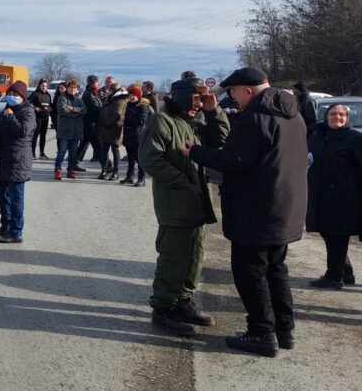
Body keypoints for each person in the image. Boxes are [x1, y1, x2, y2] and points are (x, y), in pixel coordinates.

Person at [184, 67, 307, 357]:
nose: (233, 98)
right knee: (276, 270)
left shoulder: (256, 118)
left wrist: (195, 151)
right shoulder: (292, 114)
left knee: (251, 273)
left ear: (248, 91)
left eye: (234, 92)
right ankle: (284, 330)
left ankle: (261, 333)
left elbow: (234, 160)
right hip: (284, 207)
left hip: (257, 211)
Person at [139, 77, 229, 336]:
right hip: (175, 202)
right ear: (181, 97)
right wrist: (182, 181)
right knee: (173, 256)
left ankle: (183, 301)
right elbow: (149, 159)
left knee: (194, 254)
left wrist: (214, 112)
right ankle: (163, 308)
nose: (200, 104)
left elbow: (221, 138)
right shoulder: (162, 121)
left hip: (196, 202)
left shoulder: (193, 123)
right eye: (197, 98)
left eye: (203, 99)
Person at [305, 104, 362, 289]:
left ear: (347, 118)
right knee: (328, 233)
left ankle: (334, 277)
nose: (337, 117)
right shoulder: (317, 135)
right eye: (333, 113)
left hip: (345, 198)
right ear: (326, 116)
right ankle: (345, 271)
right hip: (320, 194)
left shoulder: (354, 139)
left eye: (341, 114)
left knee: (337, 235)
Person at [0, 81, 35, 243]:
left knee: (16, 198)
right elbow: (2, 131)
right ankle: (5, 225)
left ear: (22, 97)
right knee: (2, 195)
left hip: (18, 160)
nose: (11, 97)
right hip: (3, 158)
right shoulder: (6, 110)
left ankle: (16, 232)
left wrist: (11, 117)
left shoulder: (27, 112)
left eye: (15, 95)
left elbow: (22, 131)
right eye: (9, 94)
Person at [122, 84, 154, 187]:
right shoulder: (129, 105)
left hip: (137, 136)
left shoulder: (142, 107)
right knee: (130, 158)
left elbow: (141, 121)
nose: (131, 97)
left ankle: (142, 179)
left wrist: (126, 120)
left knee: (138, 158)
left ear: (138, 96)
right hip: (128, 135)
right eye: (130, 95)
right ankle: (129, 177)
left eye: (133, 95)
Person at [54, 80, 86, 180]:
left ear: (77, 89)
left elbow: (84, 110)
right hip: (65, 130)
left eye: (74, 88)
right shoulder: (62, 98)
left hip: (76, 131)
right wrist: (77, 112)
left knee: (73, 153)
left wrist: (72, 109)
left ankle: (70, 170)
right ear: (67, 88)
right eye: (71, 87)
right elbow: (62, 110)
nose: (73, 89)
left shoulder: (79, 99)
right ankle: (57, 170)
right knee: (62, 151)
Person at [97, 83, 128, 180]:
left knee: (115, 150)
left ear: (114, 91)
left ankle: (115, 172)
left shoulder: (120, 101)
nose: (107, 92)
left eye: (109, 90)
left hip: (115, 130)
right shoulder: (111, 100)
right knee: (104, 151)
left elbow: (118, 114)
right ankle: (104, 170)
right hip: (106, 130)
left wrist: (107, 123)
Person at [77, 76, 103, 164]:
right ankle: (107, 165)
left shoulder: (93, 93)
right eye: (97, 82)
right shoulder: (89, 94)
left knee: (84, 143)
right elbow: (97, 108)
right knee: (98, 146)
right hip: (90, 124)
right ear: (92, 83)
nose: (98, 84)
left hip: (89, 123)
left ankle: (74, 162)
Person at [29, 79, 52, 160]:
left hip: (45, 117)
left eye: (45, 86)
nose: (44, 87)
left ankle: (41, 153)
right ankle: (32, 153)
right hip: (37, 117)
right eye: (42, 86)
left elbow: (50, 106)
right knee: (35, 135)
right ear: (39, 86)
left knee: (43, 135)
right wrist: (35, 108)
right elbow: (28, 103)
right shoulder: (35, 94)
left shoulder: (48, 95)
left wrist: (49, 110)